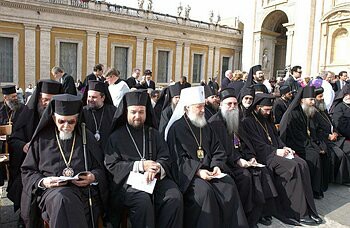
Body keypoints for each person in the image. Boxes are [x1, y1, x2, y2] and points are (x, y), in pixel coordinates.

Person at [165, 86, 248, 228]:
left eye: (203, 106)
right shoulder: (176, 129)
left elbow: (217, 149)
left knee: (228, 185)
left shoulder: (205, 126)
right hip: (190, 176)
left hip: (210, 170)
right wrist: (198, 171)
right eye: (199, 107)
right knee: (205, 193)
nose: (203, 110)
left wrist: (216, 165)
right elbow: (178, 159)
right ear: (187, 108)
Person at [21, 94, 108, 228]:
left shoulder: (86, 137)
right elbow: (27, 171)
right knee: (63, 198)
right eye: (61, 121)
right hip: (51, 193)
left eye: (71, 122)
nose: (66, 126)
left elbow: (101, 168)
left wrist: (93, 177)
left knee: (66, 200)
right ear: (54, 118)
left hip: (83, 193)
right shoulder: (41, 139)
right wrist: (44, 182)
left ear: (77, 119)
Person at [104, 90, 183, 228]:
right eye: (133, 112)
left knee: (174, 197)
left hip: (155, 179)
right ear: (126, 112)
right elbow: (112, 165)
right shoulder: (116, 137)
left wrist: (157, 167)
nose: (137, 116)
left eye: (141, 112)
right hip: (128, 183)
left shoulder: (154, 134)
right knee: (143, 200)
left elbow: (165, 156)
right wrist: (141, 166)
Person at [241, 93, 322, 225]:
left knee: (302, 163)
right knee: (292, 167)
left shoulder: (267, 119)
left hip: (276, 153)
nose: (268, 112)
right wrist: (276, 151)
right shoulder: (248, 122)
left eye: (269, 109)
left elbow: (276, 138)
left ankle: (309, 209)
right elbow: (256, 145)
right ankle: (296, 212)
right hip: (264, 156)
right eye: (265, 109)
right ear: (257, 108)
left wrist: (285, 147)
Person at [209, 88, 278, 227]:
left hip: (242, 159)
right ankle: (246, 216)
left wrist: (251, 156)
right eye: (229, 104)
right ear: (221, 104)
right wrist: (237, 160)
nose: (233, 107)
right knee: (245, 176)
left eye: (235, 104)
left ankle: (260, 213)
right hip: (227, 162)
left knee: (261, 171)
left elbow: (245, 143)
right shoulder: (214, 123)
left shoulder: (237, 119)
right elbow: (219, 149)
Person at [7, 80, 63, 224]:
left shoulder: (64, 119)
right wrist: (23, 145)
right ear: (38, 98)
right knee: (22, 186)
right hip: (31, 167)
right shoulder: (27, 113)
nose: (47, 104)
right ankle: (26, 219)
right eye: (45, 100)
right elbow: (14, 140)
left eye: (52, 100)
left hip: (57, 168)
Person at [280, 86, 328, 199]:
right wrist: (314, 146)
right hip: (295, 144)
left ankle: (318, 188)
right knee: (314, 156)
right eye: (310, 99)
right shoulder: (293, 113)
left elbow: (316, 129)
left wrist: (317, 143)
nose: (313, 102)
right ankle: (311, 190)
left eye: (313, 99)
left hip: (307, 142)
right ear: (302, 100)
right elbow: (294, 135)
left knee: (324, 153)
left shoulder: (309, 111)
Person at [314, 87, 350, 184]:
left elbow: (331, 124)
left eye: (322, 96)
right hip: (324, 140)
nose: (322, 98)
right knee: (340, 154)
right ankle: (342, 179)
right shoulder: (313, 112)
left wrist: (334, 131)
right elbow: (315, 131)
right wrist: (328, 136)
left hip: (335, 137)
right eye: (319, 96)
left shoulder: (323, 109)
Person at [0, 85, 24, 187]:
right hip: (2, 143)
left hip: (17, 142)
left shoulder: (22, 108)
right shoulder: (0, 109)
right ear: (5, 98)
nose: (15, 99)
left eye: (16, 96)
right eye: (12, 97)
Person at [82, 80, 116, 149]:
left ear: (103, 98)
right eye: (89, 96)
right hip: (88, 151)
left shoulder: (113, 111)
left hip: (108, 150)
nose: (90, 100)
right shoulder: (83, 112)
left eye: (94, 97)